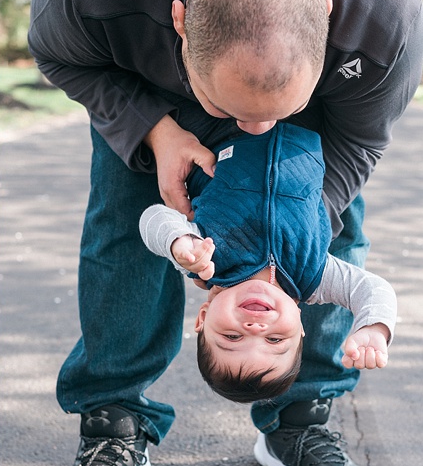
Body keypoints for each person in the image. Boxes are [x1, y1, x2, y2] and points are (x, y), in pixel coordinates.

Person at [27, 0, 423, 466]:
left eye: (236, 339)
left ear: (328, 11)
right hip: (152, 86)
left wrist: (312, 214)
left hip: (313, 127)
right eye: (267, 341)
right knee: (122, 220)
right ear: (179, 21)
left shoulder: (384, 7)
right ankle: (113, 419)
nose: (256, 125)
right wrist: (153, 131)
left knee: (340, 228)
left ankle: (301, 418)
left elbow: (361, 139)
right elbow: (61, 57)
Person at [139, 121, 395, 409]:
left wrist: (178, 242)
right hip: (308, 121)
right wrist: (374, 328)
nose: (255, 327)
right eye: (274, 339)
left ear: (203, 317)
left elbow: (154, 218)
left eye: (232, 336)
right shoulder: (313, 275)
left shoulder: (205, 260)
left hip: (222, 120)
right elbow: (371, 289)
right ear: (299, 328)